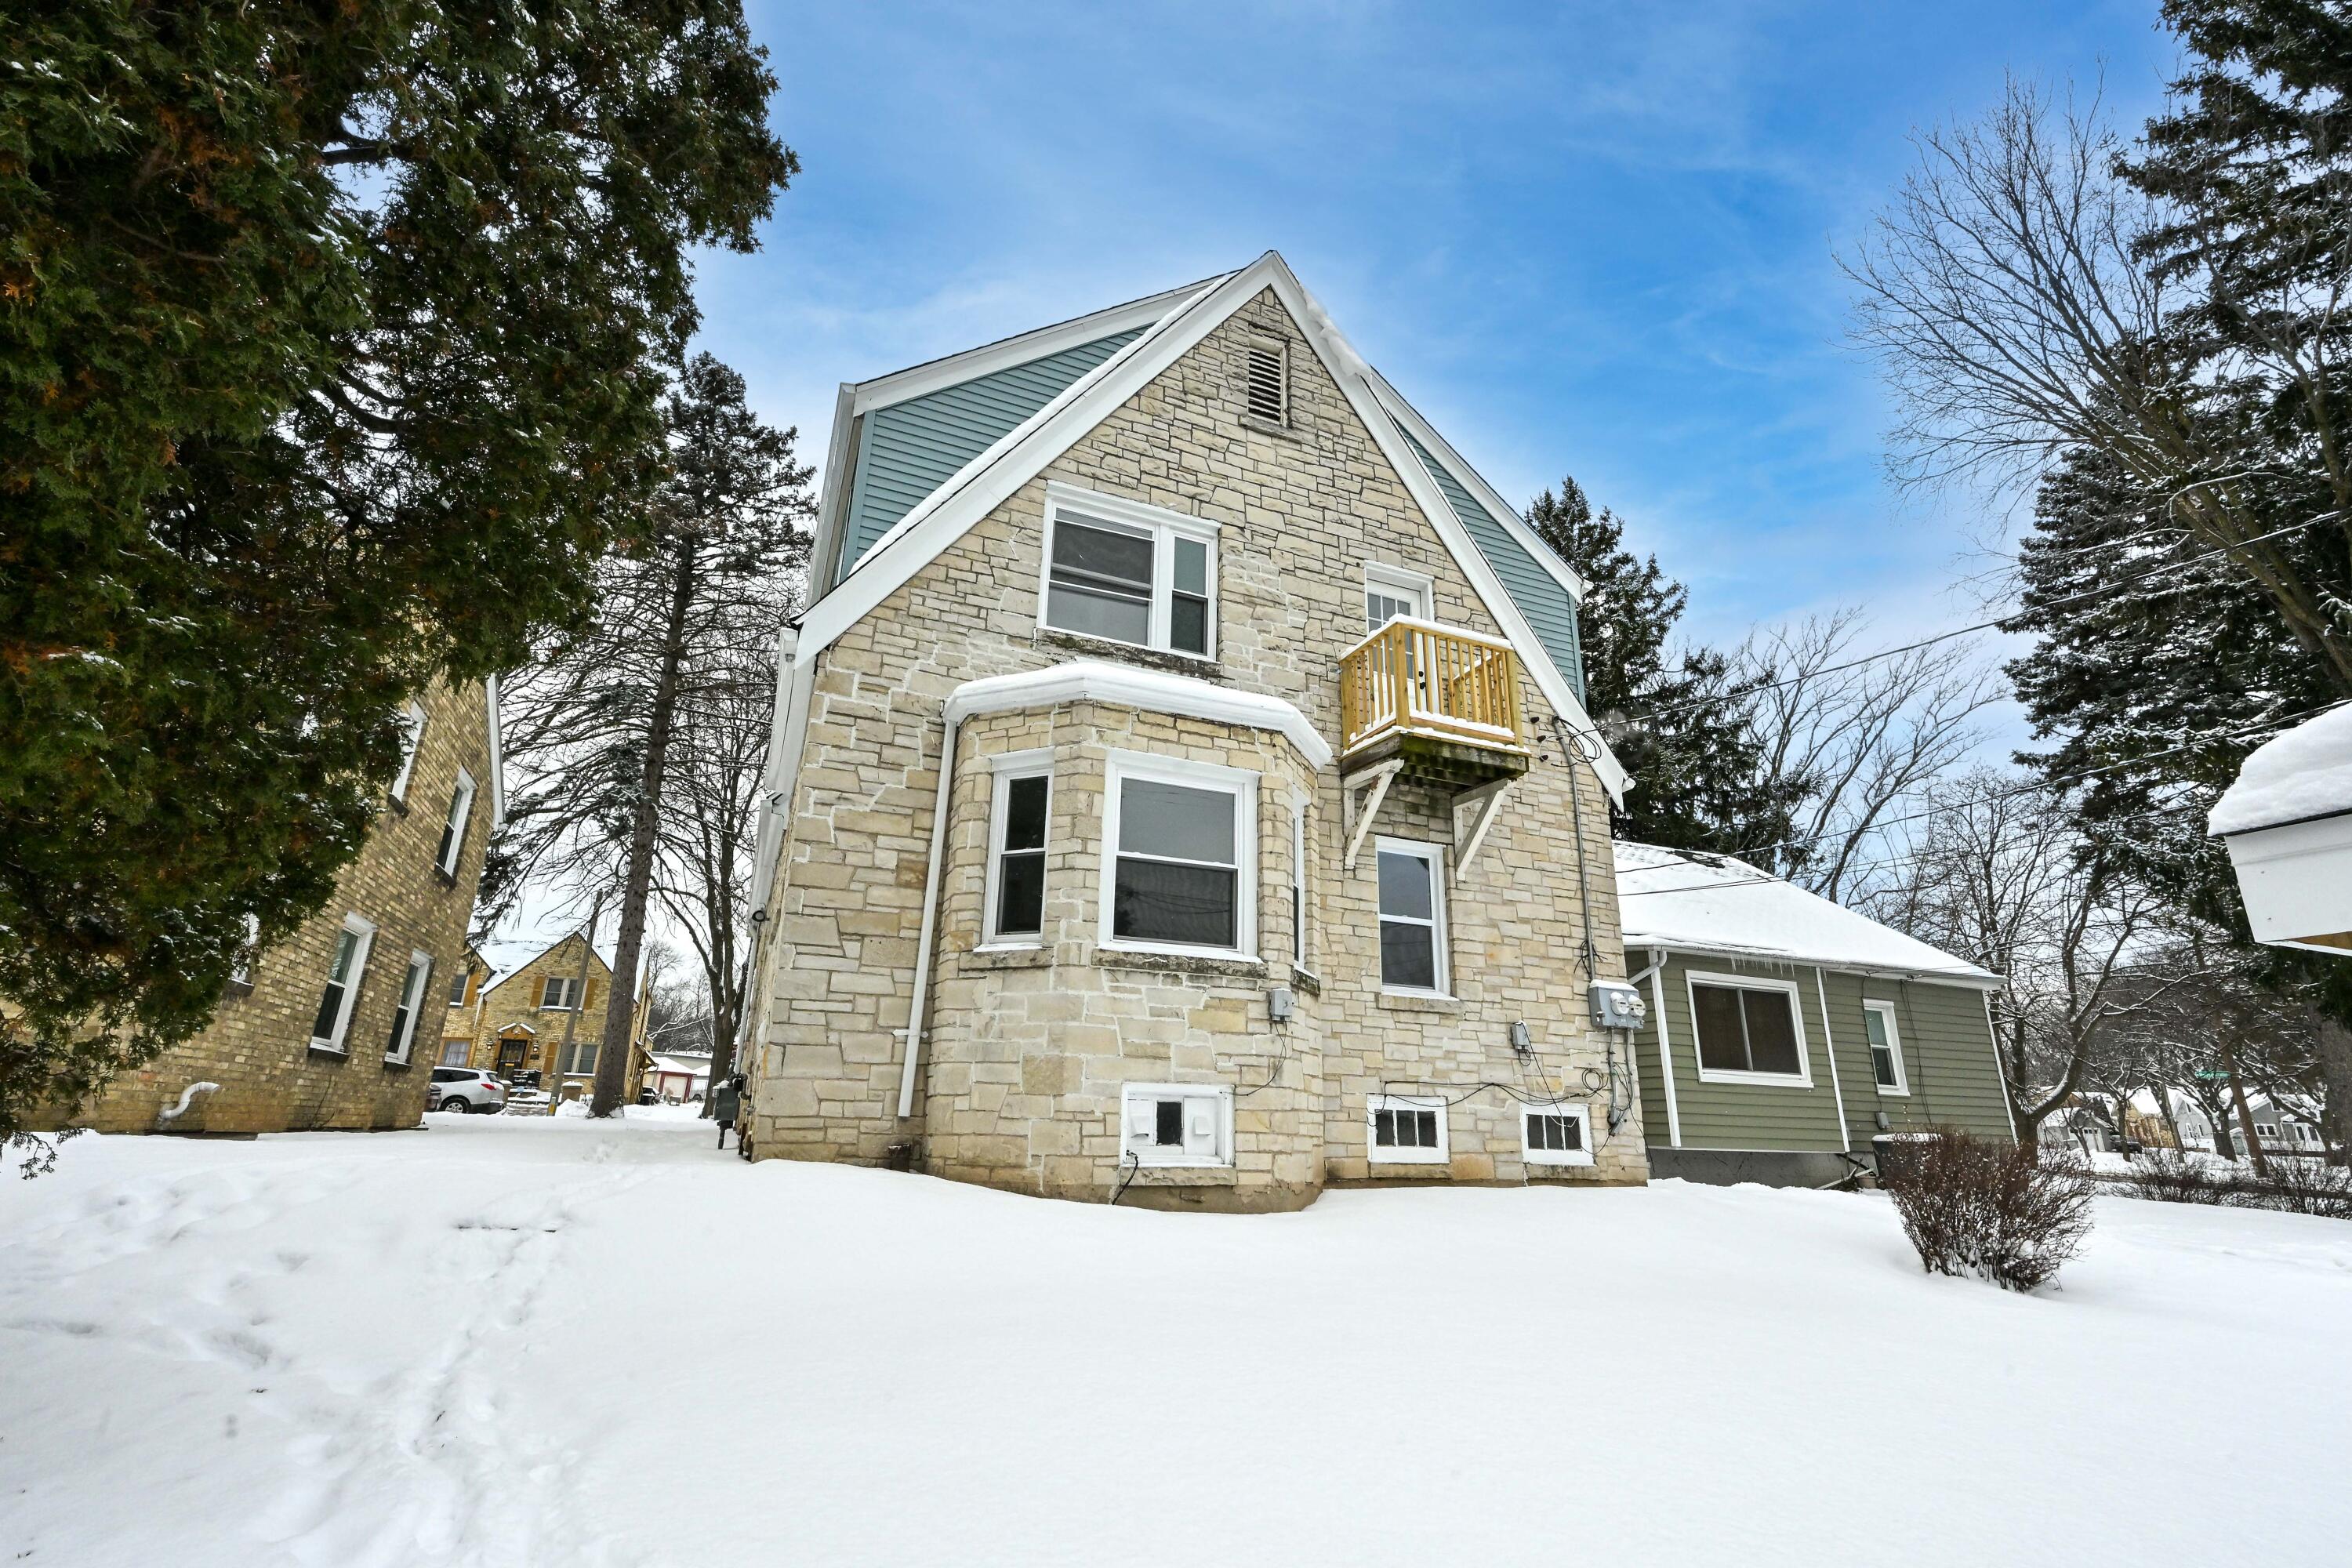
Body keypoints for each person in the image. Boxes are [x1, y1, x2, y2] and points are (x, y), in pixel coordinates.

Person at [713, 1073, 744, 1149]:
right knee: (723, 1128)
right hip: (729, 1112)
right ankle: (720, 1144)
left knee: (723, 1130)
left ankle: (720, 1146)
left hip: (725, 1112)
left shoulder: (724, 1091)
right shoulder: (727, 1091)